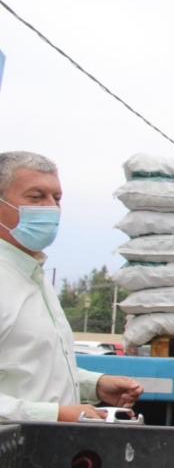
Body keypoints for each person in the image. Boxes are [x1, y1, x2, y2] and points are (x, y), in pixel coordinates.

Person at [0, 151, 143, 422]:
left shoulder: (32, 276)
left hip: (36, 453)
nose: (51, 208)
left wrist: (94, 384)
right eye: (35, 197)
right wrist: (56, 414)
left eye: (56, 198)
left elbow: (30, 368)